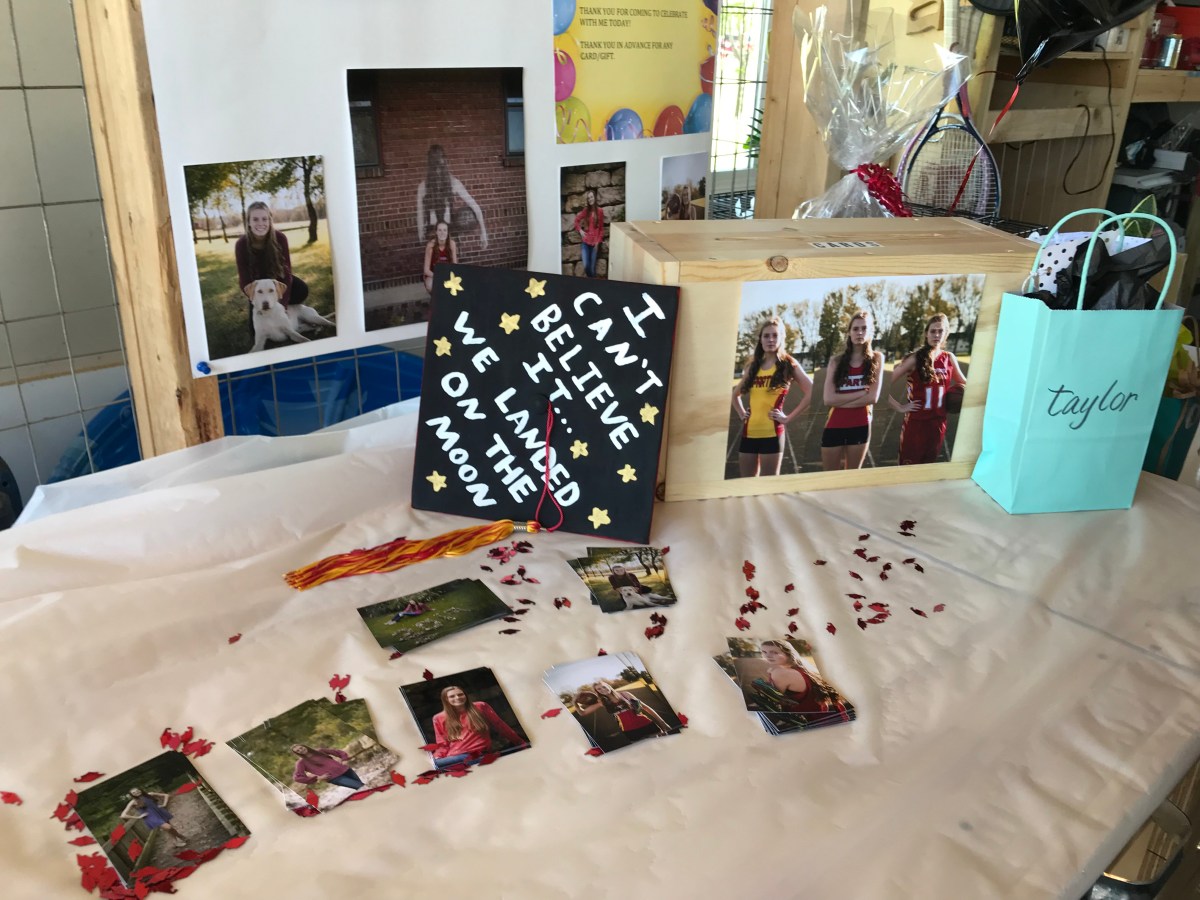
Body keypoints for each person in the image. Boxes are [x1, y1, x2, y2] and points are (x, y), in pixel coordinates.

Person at [732, 316, 814, 477]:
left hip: (772, 435)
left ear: (781, 338)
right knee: (747, 484)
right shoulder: (753, 367)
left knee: (768, 485)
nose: (770, 339)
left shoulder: (788, 364)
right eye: (766, 336)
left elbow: (812, 391)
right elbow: (735, 395)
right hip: (749, 434)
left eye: (775, 335)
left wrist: (788, 418)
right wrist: (742, 414)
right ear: (760, 339)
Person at [887, 313, 967, 465]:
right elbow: (880, 386)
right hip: (916, 424)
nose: (936, 335)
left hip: (938, 424)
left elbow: (966, 384)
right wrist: (899, 406)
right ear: (926, 333)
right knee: (908, 471)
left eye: (940, 331)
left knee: (927, 468)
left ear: (946, 334)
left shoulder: (949, 358)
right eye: (933, 331)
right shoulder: (914, 359)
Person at [234, 201, 309, 341]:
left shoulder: (280, 238)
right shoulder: (241, 244)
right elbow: (244, 280)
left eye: (264, 219)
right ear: (248, 222)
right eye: (255, 219)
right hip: (258, 288)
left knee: (301, 290)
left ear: (270, 221)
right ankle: (267, 305)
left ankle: (289, 311)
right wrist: (256, 299)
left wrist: (283, 305)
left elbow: (287, 273)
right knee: (254, 332)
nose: (260, 223)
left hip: (276, 283)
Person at [820, 310, 885, 471]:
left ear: (870, 332)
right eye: (855, 329)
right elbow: (828, 399)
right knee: (830, 478)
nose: (859, 332)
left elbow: (873, 398)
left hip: (860, 426)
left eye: (864, 328)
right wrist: (861, 393)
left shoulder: (877, 358)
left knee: (852, 477)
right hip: (834, 424)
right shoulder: (835, 361)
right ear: (849, 332)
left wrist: (841, 401)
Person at [752, 640, 852, 722]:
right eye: (764, 652)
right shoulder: (804, 669)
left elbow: (773, 704)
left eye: (775, 652)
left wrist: (769, 677)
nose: (768, 656)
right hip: (825, 720)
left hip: (809, 725)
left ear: (787, 654)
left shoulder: (781, 673)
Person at [430, 685, 526, 769]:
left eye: (460, 694)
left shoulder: (480, 707)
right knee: (431, 765)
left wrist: (520, 742)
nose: (457, 697)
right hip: (453, 756)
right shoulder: (438, 718)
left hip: (476, 754)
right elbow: (442, 744)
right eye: (452, 696)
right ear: (446, 699)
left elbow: (500, 726)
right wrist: (436, 758)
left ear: (465, 695)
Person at [416, 144, 488, 249]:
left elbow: (474, 206)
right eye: (435, 168)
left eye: (440, 168)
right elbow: (420, 215)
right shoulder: (423, 187)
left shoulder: (454, 183)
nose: (438, 172)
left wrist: (483, 232)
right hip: (432, 236)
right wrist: (420, 235)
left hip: (450, 235)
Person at [574, 679, 672, 737]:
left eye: (603, 686)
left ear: (608, 685)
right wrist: (575, 703)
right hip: (630, 732)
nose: (602, 689)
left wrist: (663, 723)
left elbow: (646, 708)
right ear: (597, 692)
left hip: (647, 725)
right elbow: (583, 713)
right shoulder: (603, 703)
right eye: (599, 689)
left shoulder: (625, 694)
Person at [119, 788, 188, 847]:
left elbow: (166, 795)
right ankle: (181, 836)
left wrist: (164, 804)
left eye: (137, 790)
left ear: (140, 790)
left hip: (159, 812)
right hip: (150, 817)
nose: (136, 792)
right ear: (132, 795)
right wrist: (139, 817)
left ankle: (175, 842)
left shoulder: (149, 794)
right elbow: (123, 815)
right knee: (168, 827)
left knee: (169, 829)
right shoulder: (133, 802)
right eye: (134, 793)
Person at [290, 744, 365, 791]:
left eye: (301, 748)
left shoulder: (320, 751)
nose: (301, 750)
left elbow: (338, 752)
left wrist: (344, 759)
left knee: (363, 787)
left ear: (304, 746)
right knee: (361, 786)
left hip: (346, 770)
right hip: (335, 778)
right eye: (298, 751)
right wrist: (317, 778)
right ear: (297, 753)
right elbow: (297, 777)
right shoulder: (301, 763)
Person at [606, 564, 673, 608]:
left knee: (647, 590)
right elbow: (615, 586)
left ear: (624, 569)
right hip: (624, 590)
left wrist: (636, 590)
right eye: (617, 570)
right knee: (627, 602)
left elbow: (637, 583)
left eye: (621, 569)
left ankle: (654, 599)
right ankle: (653, 601)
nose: (619, 571)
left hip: (633, 588)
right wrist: (622, 592)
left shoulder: (631, 575)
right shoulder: (611, 577)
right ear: (613, 571)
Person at [573, 189, 604, 278]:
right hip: (585, 243)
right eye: (588, 198)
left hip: (595, 244)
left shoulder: (600, 211)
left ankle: (592, 283)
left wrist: (598, 242)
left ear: (594, 198)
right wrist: (580, 231)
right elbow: (576, 221)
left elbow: (601, 229)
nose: (590, 199)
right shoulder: (585, 211)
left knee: (592, 269)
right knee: (586, 266)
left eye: (591, 197)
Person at [423, 221, 458, 295]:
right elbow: (426, 270)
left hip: (448, 273)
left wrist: (448, 276)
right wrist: (439, 277)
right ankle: (436, 299)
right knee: (430, 285)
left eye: (445, 230)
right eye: (440, 230)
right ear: (436, 232)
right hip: (434, 274)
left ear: (447, 232)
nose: (442, 233)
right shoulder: (431, 245)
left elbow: (455, 266)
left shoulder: (452, 244)